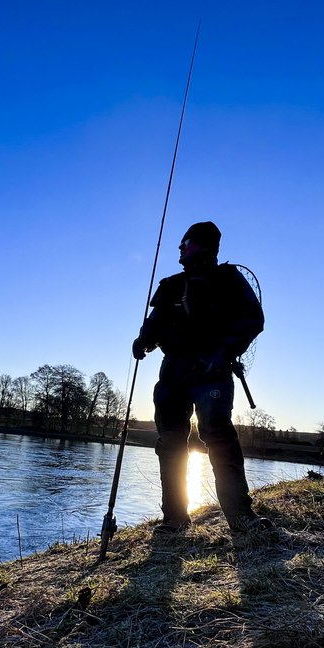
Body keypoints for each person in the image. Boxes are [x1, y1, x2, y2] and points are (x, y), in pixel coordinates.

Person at [132, 220, 270, 536]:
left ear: (206, 247)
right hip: (173, 374)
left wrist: (221, 355)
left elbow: (253, 319)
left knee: (218, 436)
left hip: (213, 372)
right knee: (170, 443)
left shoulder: (230, 279)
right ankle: (174, 519)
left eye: (188, 242)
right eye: (182, 243)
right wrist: (143, 341)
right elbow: (154, 325)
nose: (181, 248)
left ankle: (241, 518)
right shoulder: (169, 285)